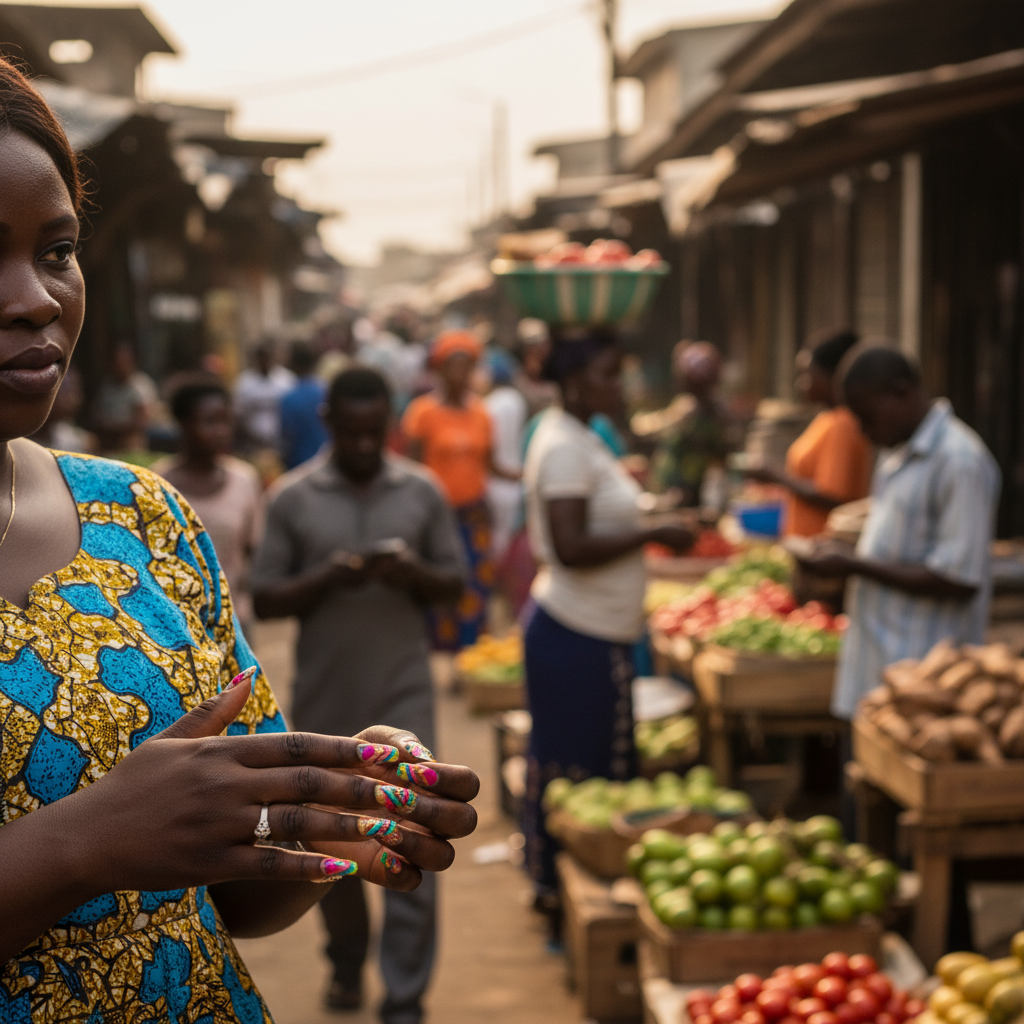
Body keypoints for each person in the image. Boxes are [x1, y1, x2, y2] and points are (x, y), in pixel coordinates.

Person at [0, 58, 478, 1021]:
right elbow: (119, 836)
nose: (37, 299)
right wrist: (86, 839)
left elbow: (238, 896)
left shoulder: (141, 519)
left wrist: (330, 811)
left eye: (56, 250)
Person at [251, 367, 466, 1022]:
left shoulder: (423, 491)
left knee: (409, 832)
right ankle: (346, 964)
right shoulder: (292, 497)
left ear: (391, 425)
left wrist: (412, 573)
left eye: (377, 432)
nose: (367, 445)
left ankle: (405, 993)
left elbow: (454, 585)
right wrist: (331, 576)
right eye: (353, 433)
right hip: (326, 701)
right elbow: (266, 596)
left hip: (402, 697)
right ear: (329, 424)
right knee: (334, 842)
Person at [521, 330, 694, 927]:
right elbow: (569, 545)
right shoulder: (565, 445)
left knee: (582, 771)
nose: (619, 385)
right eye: (606, 374)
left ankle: (561, 894)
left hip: (591, 631)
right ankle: (560, 899)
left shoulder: (581, 437)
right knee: (577, 775)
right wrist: (654, 533)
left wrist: (648, 516)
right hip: (576, 634)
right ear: (573, 382)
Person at [796, 347, 1000, 720]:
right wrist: (846, 553)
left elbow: (959, 578)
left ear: (902, 392)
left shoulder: (959, 461)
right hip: (875, 677)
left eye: (867, 417)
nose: (862, 431)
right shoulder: (897, 455)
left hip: (925, 689)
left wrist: (855, 564)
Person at [401, 330, 514, 650]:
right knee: (439, 584)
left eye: (467, 366)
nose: (460, 374)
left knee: (476, 585)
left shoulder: (481, 413)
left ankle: (471, 652)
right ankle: (445, 654)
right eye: (454, 365)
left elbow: (492, 465)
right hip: (437, 515)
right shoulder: (423, 413)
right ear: (439, 369)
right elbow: (412, 467)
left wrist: (526, 474)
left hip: (475, 513)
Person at [152, 380, 264, 635]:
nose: (221, 431)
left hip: (234, 623)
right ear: (182, 424)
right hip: (174, 628)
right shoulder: (156, 485)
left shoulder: (245, 481)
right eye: (209, 422)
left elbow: (254, 550)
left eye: (226, 421)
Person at [749, 330, 873, 537]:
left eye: (808, 374)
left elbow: (834, 496)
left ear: (833, 376)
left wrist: (775, 475)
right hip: (805, 544)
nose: (801, 384)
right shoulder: (826, 418)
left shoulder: (843, 424)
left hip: (823, 547)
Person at [633, 341, 731, 506]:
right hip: (693, 486)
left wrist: (640, 422)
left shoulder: (690, 407)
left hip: (678, 487)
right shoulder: (716, 408)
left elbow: (655, 426)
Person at [482, 348, 527, 562]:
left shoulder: (489, 406)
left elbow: (489, 451)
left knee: (496, 543)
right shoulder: (515, 399)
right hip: (513, 480)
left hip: (495, 481)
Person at [91, 341, 158, 451]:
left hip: (131, 446)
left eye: (124, 361)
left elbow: (143, 421)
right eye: (117, 361)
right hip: (108, 445)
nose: (120, 365)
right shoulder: (106, 386)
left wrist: (115, 427)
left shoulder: (141, 385)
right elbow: (97, 415)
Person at [233, 341, 296, 453]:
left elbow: (294, 412)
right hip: (254, 445)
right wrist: (253, 439)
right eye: (261, 358)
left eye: (267, 357)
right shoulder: (244, 383)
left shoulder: (286, 380)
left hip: (284, 443)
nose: (265, 361)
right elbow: (238, 416)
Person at [280, 341, 329, 469]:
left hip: (299, 464)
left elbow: (287, 437)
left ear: (294, 364)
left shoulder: (289, 399)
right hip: (326, 462)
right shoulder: (326, 390)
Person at [30, 363, 96, 453]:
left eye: (75, 389)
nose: (72, 398)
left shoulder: (79, 441)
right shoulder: (21, 443)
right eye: (65, 389)